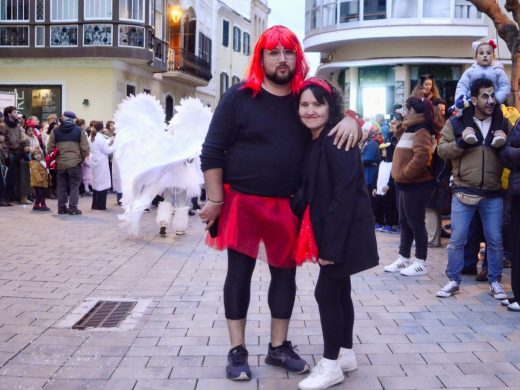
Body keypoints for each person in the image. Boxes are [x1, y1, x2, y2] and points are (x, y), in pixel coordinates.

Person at [199, 25, 361, 381]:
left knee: (284, 276)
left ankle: (278, 347)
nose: (282, 59)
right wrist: (214, 199)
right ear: (262, 58)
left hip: (288, 205)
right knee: (237, 275)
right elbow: (212, 151)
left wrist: (354, 121)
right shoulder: (239, 97)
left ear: (297, 57)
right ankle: (237, 350)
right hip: (241, 202)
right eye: (274, 52)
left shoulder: (302, 98)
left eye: (288, 52)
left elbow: (335, 113)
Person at [294, 78, 378, 390]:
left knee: (325, 293)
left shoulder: (336, 140)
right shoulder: (319, 139)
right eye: (305, 104)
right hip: (338, 231)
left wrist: (330, 247)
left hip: (343, 233)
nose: (311, 110)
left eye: (318, 104)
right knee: (340, 291)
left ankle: (330, 366)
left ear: (332, 108)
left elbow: (343, 195)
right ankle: (345, 354)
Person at [436, 78, 509, 299]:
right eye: (485, 96)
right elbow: (441, 150)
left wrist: (505, 146)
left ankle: (495, 281)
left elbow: (514, 147)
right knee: (458, 239)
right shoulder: (457, 122)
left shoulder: (502, 123)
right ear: (474, 99)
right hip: (463, 190)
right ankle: (453, 280)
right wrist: (461, 144)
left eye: (493, 95)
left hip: (493, 192)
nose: (490, 100)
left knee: (495, 240)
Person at [384, 96, 437, 276]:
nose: (402, 112)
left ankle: (421, 261)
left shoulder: (421, 130)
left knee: (415, 222)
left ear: (412, 111)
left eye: (405, 109)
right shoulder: (410, 129)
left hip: (416, 184)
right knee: (404, 222)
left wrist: (405, 174)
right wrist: (400, 125)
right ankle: (404, 257)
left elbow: (422, 157)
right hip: (404, 184)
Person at [455, 39, 511, 149]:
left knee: (498, 113)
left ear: (493, 56)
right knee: (467, 111)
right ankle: (469, 132)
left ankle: (498, 133)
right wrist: (461, 98)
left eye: (488, 53)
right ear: (476, 57)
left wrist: (497, 98)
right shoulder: (470, 71)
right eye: (481, 53)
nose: (485, 56)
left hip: (492, 100)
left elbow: (505, 85)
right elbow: (462, 85)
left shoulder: (498, 70)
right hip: (472, 100)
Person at [47, 111, 89, 215]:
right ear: (74, 119)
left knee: (61, 186)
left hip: (60, 163)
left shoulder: (55, 131)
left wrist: (57, 157)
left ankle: (61, 208)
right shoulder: (80, 131)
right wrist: (81, 159)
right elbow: (85, 149)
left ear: (63, 118)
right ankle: (73, 208)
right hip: (75, 163)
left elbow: (49, 148)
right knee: (74, 186)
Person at [499, 119, 520, 311]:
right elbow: (506, 156)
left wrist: (505, 147)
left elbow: (510, 151)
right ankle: (518, 293)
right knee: (515, 244)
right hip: (516, 190)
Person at [3, 106, 31, 204]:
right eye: (14, 112)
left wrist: (25, 143)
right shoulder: (3, 125)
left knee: (24, 169)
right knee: (11, 175)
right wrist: (6, 155)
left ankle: (23, 197)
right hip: (9, 153)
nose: (16, 114)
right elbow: (2, 142)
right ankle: (7, 198)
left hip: (19, 151)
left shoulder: (17, 124)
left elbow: (21, 137)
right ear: (9, 114)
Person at [89, 121, 114, 210]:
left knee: (96, 183)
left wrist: (109, 142)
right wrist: (114, 145)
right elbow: (107, 151)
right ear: (102, 128)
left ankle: (95, 204)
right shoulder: (100, 138)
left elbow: (99, 147)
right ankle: (100, 205)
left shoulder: (91, 136)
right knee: (102, 183)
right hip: (101, 162)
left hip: (94, 161)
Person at [29, 147, 50, 211]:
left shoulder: (41, 162)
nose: (38, 156)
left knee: (39, 195)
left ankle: (36, 205)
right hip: (39, 182)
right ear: (33, 156)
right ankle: (43, 205)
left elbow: (46, 170)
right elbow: (35, 172)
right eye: (35, 155)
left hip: (42, 181)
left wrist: (49, 176)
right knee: (42, 194)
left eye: (39, 154)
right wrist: (40, 180)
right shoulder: (35, 163)